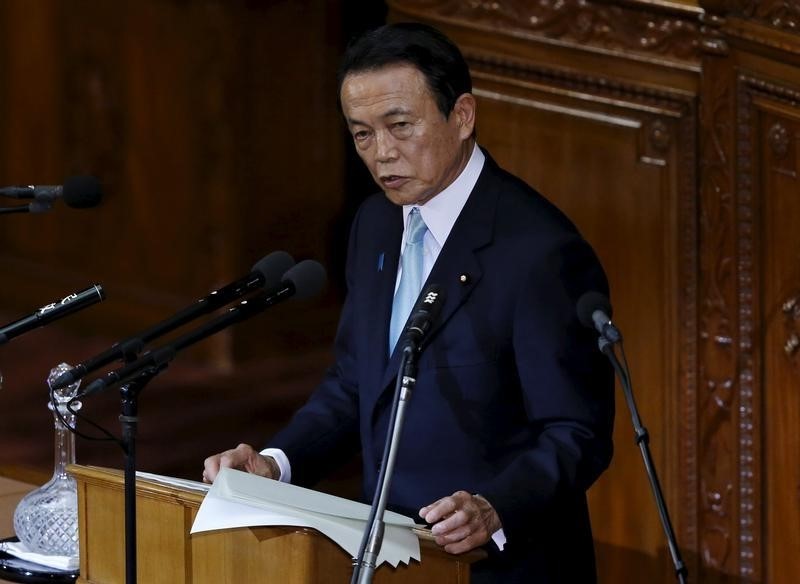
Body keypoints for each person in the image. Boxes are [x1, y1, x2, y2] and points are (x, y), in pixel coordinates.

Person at [204, 22, 614, 583]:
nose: (382, 154)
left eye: (400, 126)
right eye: (362, 134)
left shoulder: (539, 251)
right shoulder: (375, 223)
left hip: (499, 567)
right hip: (391, 562)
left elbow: (577, 433)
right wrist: (275, 464)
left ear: (462, 115)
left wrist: (494, 507)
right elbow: (357, 382)